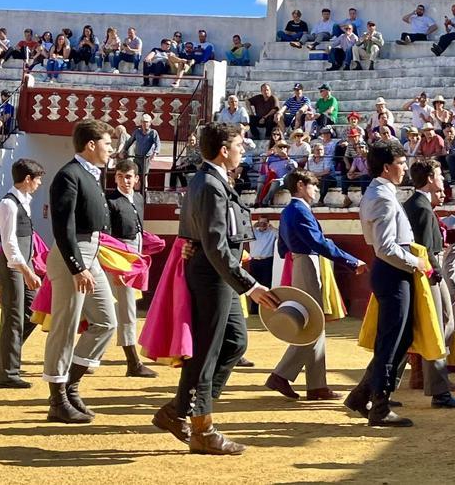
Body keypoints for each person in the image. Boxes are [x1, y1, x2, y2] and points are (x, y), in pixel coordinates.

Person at [153, 123, 280, 454]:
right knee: (206, 353)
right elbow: (215, 245)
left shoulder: (212, 181)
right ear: (224, 150)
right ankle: (201, 429)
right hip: (214, 276)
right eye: (239, 144)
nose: (243, 149)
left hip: (220, 274)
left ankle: (179, 410)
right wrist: (249, 286)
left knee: (235, 343)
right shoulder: (210, 184)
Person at [41, 121, 118, 424]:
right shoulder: (68, 175)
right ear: (91, 145)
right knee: (65, 325)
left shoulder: (87, 174)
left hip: (91, 252)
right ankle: (57, 398)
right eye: (107, 144)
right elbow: (63, 226)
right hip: (73, 255)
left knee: (106, 321)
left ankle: (70, 385)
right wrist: (77, 267)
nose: (111, 149)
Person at [266, 170, 367, 401]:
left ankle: (316, 385)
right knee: (312, 324)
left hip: (300, 261)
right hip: (307, 263)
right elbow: (318, 242)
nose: (316, 190)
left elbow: (282, 245)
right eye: (313, 185)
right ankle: (281, 374)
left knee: (315, 325)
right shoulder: (300, 210)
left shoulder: (289, 210)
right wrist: (350, 261)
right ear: (301, 185)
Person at [342, 143, 423, 428]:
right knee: (392, 342)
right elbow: (386, 247)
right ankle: (379, 405)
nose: (404, 167)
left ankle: (362, 395)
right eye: (401, 162)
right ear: (387, 167)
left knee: (398, 339)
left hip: (392, 271)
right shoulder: (382, 197)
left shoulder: (381, 194)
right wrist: (417, 263)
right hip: (393, 271)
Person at [403, 160, 455, 408]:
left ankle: (381, 387)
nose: (443, 181)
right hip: (428, 271)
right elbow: (424, 248)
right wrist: (436, 273)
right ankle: (438, 390)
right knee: (441, 326)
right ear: (430, 178)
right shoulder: (421, 208)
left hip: (423, 270)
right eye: (440, 176)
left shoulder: (415, 205)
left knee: (409, 330)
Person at [0, 159, 45, 388]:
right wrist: (27, 270)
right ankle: (7, 373)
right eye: (37, 179)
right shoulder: (8, 205)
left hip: (20, 266)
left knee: (32, 313)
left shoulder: (21, 201)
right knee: (14, 318)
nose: (39, 184)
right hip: (13, 267)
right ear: (27, 179)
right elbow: (9, 244)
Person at [106, 159, 156, 378]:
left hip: (133, 256)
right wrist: (117, 267)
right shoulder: (109, 201)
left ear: (137, 179)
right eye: (119, 176)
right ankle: (132, 362)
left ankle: (89, 357)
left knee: (118, 308)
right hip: (118, 257)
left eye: (128, 176)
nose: (124, 180)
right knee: (125, 309)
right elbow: (107, 237)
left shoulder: (138, 198)